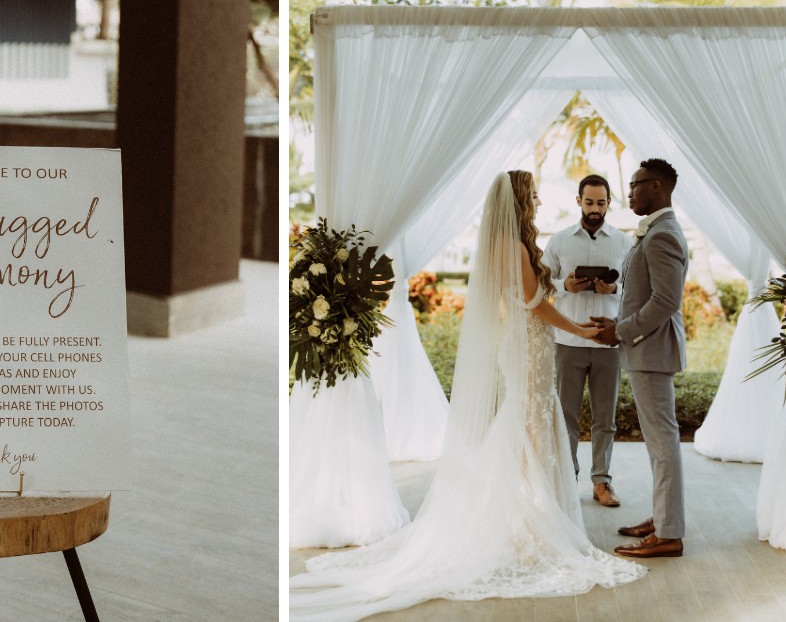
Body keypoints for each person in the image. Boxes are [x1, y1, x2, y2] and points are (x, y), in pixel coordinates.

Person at [290, 172, 646, 620]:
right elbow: (534, 304)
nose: (536, 200)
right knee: (531, 426)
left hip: (527, 344)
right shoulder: (513, 247)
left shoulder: (509, 245)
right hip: (527, 344)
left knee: (529, 426)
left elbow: (524, 300)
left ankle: (529, 518)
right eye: (532, 195)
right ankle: (529, 527)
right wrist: (578, 328)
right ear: (517, 200)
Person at [591, 157, 688, 560]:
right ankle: (663, 518)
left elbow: (665, 300)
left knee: (662, 443)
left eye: (634, 185)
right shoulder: (655, 230)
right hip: (644, 347)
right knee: (657, 443)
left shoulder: (663, 233)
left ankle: (668, 535)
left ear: (658, 186)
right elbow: (641, 293)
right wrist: (616, 323)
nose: (628, 192)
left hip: (651, 351)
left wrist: (622, 330)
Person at [544, 173, 632, 508]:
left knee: (604, 418)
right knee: (565, 416)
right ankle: (567, 481)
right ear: (578, 201)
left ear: (609, 203)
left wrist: (615, 289)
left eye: (601, 202)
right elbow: (540, 282)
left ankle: (602, 483)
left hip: (608, 341)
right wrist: (565, 284)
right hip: (568, 340)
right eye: (589, 201)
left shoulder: (624, 243)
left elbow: (635, 288)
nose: (594, 208)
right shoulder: (560, 241)